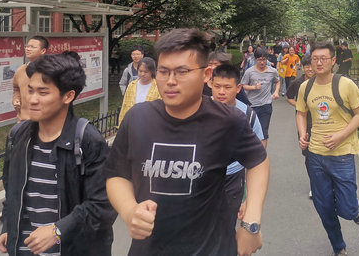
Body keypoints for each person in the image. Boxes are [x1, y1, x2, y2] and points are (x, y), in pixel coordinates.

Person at [105, 29, 269, 256]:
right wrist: (129, 210)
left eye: (182, 72)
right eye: (163, 72)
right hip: (149, 249)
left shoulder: (227, 120)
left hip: (211, 248)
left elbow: (258, 162)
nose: (170, 81)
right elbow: (117, 174)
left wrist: (251, 221)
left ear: (206, 74)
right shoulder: (137, 118)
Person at [0, 52, 116, 255]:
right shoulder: (18, 136)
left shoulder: (87, 140)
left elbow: (103, 204)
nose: (32, 99)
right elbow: (12, 190)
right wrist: (8, 226)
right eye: (30, 90)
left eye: (43, 93)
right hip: (25, 249)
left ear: (68, 96)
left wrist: (58, 230)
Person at [295, 42, 359, 256]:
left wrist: (340, 136)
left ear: (333, 60)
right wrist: (302, 134)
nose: (318, 63)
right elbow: (301, 113)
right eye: (315, 59)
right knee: (324, 207)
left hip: (342, 154)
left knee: (347, 209)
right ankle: (339, 247)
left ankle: (353, 207)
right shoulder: (305, 87)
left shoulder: (346, 85)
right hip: (316, 155)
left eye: (323, 58)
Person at [209, 64, 265, 234]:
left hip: (233, 177)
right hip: (203, 176)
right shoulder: (199, 110)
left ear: (238, 88)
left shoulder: (247, 115)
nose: (221, 92)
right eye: (217, 86)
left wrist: (249, 199)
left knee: (227, 224)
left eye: (227, 87)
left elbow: (259, 156)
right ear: (210, 84)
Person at [286, 55, 315, 198]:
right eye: (306, 66)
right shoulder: (297, 83)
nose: (310, 69)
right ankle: (314, 184)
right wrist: (300, 106)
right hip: (304, 121)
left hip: (321, 122)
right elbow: (289, 98)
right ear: (303, 68)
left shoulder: (321, 81)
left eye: (311, 66)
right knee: (308, 155)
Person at [242, 47, 280, 148]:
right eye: (259, 60)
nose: (262, 62)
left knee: (263, 134)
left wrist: (276, 92)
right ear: (255, 59)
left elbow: (277, 81)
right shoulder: (249, 72)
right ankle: (251, 154)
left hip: (266, 106)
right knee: (250, 133)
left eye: (264, 59)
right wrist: (254, 87)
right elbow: (243, 85)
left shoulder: (272, 71)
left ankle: (262, 156)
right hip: (252, 106)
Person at [12, 35, 49, 122]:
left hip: (44, 121)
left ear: (43, 51)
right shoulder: (20, 70)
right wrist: (16, 99)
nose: (28, 49)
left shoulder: (50, 70)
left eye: (32, 47)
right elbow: (16, 88)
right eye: (27, 46)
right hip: (24, 120)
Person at [118, 57, 161, 126]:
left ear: (152, 71)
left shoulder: (158, 87)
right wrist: (121, 125)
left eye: (146, 72)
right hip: (132, 124)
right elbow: (124, 106)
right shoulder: (131, 85)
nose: (142, 74)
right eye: (140, 71)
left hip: (150, 125)